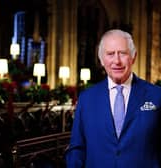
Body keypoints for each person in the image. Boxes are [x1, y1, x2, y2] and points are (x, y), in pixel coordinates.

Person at [65, 29, 161, 168]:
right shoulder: (87, 99)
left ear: (133, 57)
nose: (117, 61)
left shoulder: (156, 96)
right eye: (110, 54)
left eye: (122, 53)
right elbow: (77, 148)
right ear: (102, 60)